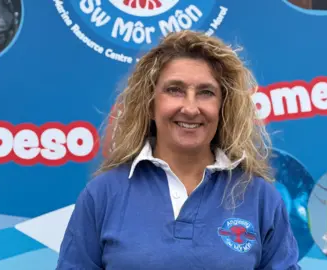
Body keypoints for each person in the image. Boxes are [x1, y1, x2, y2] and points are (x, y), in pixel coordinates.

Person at [56, 30, 300, 270]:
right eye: (175, 90)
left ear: (223, 107)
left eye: (206, 93)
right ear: (150, 104)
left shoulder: (260, 198)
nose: (191, 108)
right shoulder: (102, 195)